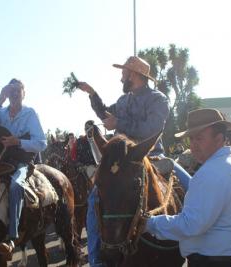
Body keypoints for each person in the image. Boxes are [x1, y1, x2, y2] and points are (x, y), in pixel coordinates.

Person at [77, 56, 192, 266]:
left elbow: (153, 130)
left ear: (134, 75)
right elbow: (106, 115)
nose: (121, 78)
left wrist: (119, 123)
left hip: (152, 155)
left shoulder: (158, 99)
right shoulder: (123, 101)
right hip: (122, 162)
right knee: (95, 197)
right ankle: (96, 260)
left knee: (192, 186)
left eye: (123, 74)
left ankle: (195, 244)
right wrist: (93, 94)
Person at [146, 108, 231, 267]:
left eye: (200, 138)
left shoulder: (210, 172)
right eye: (191, 139)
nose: (193, 145)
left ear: (219, 139)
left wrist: (148, 223)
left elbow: (191, 224)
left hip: (212, 261)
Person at [0, 78, 47, 260]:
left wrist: (17, 141)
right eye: (11, 91)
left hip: (21, 162)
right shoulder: (1, 112)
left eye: (18, 90)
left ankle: (12, 236)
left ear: (24, 93)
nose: (14, 93)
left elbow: (41, 143)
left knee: (16, 186)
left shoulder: (30, 113)